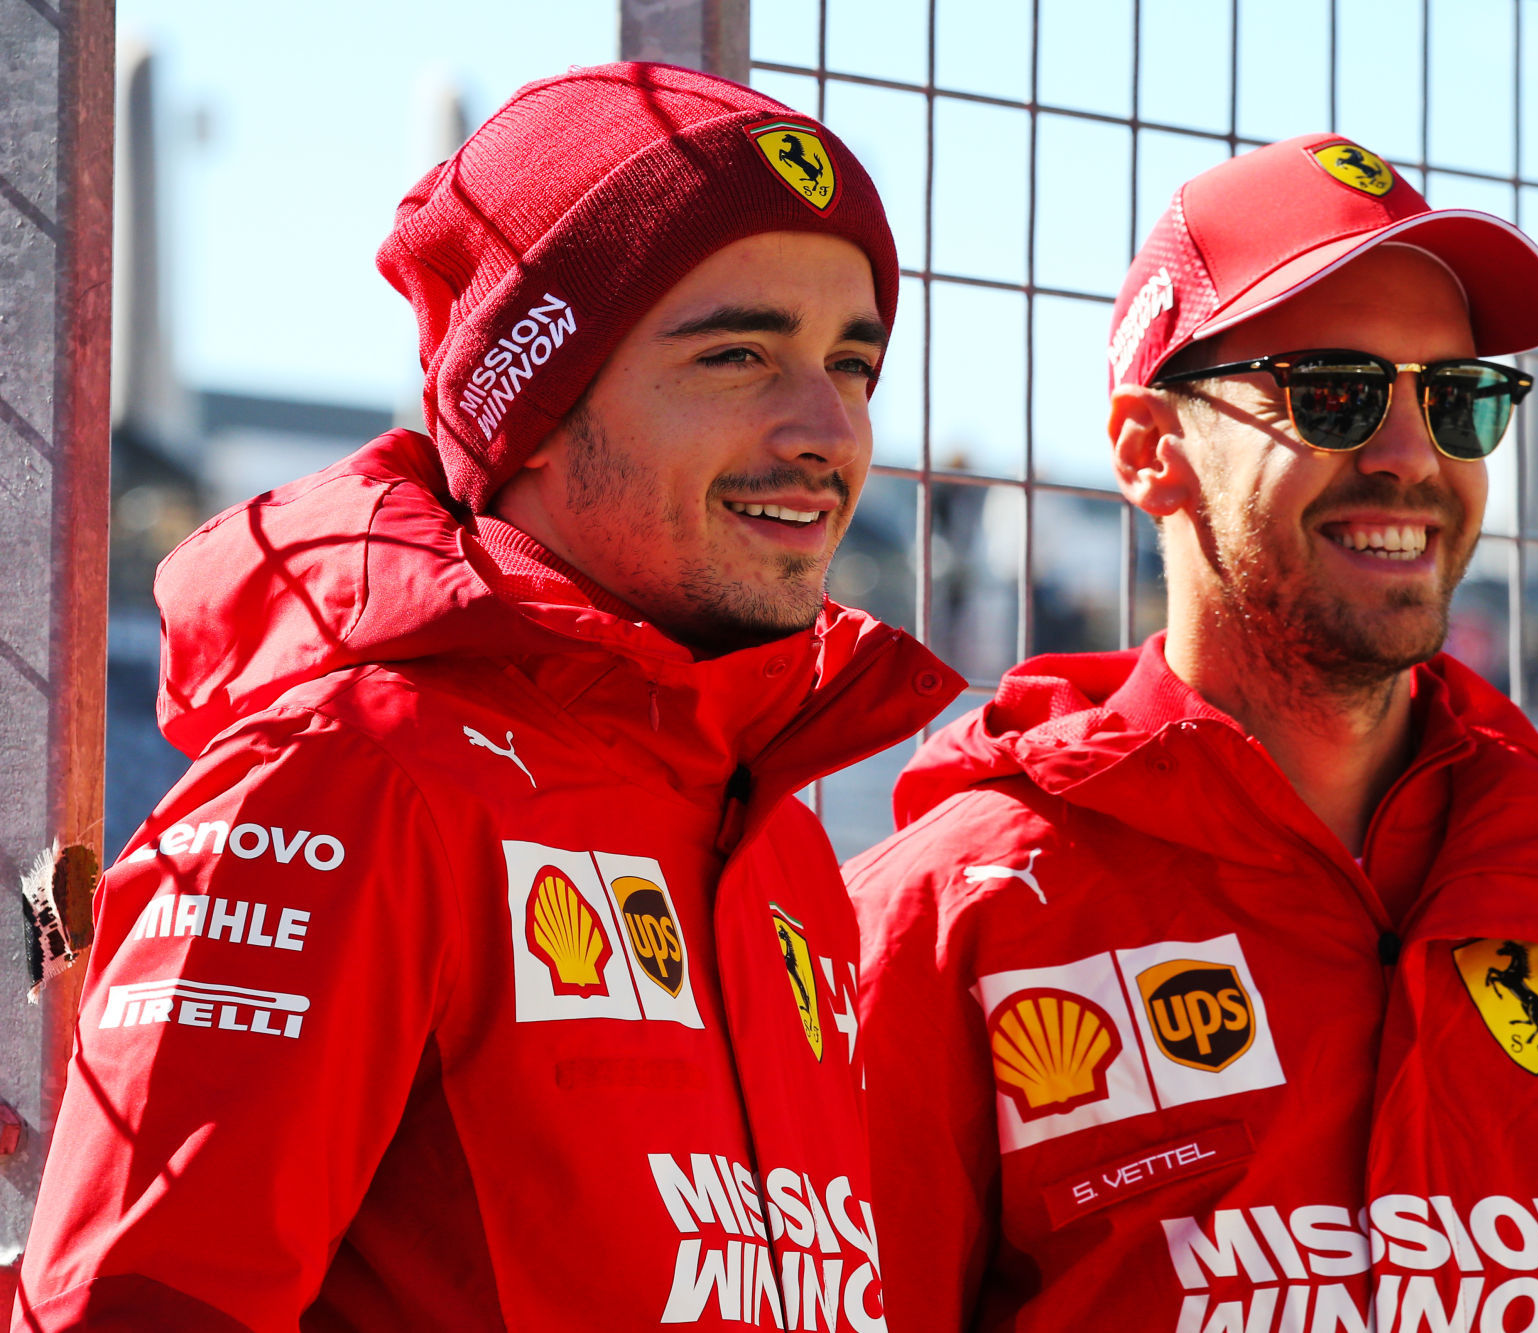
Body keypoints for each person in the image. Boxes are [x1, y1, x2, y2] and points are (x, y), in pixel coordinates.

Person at [15, 63, 959, 1332]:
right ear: (535, 406)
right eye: (738, 353)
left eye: (851, 364)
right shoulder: (350, 780)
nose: (827, 432)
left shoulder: (771, 829)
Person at [846, 135, 1538, 1331]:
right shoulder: (951, 921)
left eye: (1454, 401)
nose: (1410, 459)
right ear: (1151, 450)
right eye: (1333, 393)